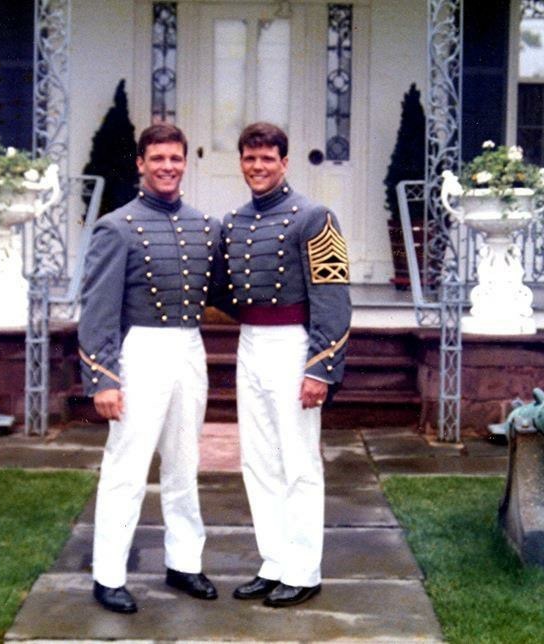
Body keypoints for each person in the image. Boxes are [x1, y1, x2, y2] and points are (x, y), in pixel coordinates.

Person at [78, 123, 221, 614]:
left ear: (186, 162)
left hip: (189, 347)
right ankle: (109, 574)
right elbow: (98, 310)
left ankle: (184, 562)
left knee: (184, 462)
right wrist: (103, 377)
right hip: (139, 351)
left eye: (175, 158)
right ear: (140, 163)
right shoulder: (117, 227)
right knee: (127, 466)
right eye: (157, 158)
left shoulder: (205, 226)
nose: (167, 167)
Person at [220, 122, 351, 608]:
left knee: (298, 461)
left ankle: (303, 570)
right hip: (250, 342)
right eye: (250, 159)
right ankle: (273, 562)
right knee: (258, 459)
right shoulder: (234, 221)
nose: (258, 167)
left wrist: (320, 367)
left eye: (267, 159)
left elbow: (333, 296)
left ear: (285, 162)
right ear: (241, 162)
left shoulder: (314, 217)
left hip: (295, 346)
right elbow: (225, 290)